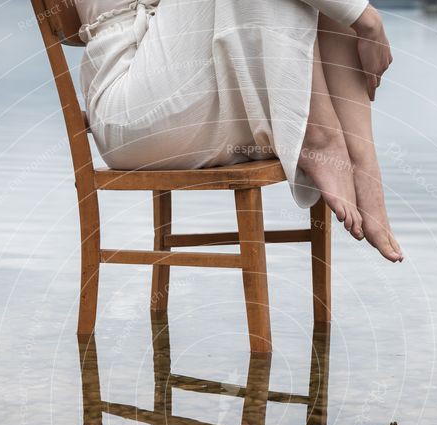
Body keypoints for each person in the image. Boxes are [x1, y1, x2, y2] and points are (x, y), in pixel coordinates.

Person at [76, 0, 403, 262]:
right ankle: (318, 136)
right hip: (132, 114)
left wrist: (358, 14)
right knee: (344, 8)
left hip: (187, 97)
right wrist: (367, 20)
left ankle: (362, 164)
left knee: (333, 4)